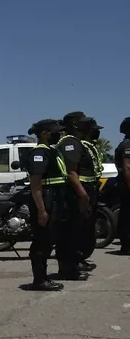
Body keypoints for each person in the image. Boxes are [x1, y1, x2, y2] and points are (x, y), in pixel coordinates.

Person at [26, 118, 80, 290]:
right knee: (42, 242)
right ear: (44, 134)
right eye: (55, 131)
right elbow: (36, 184)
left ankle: (47, 276)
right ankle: (39, 279)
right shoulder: (39, 153)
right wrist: (41, 210)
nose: (59, 134)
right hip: (47, 200)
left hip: (56, 199)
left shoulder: (52, 151)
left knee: (51, 240)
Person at [57, 111, 97, 274]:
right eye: (83, 122)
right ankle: (68, 267)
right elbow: (71, 172)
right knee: (70, 231)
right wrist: (82, 194)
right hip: (74, 193)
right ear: (75, 125)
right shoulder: (70, 143)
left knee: (78, 230)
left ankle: (74, 262)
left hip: (80, 191)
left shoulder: (77, 142)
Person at [115, 117, 130, 254]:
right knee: (127, 215)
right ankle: (126, 245)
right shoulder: (127, 145)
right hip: (127, 184)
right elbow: (127, 168)